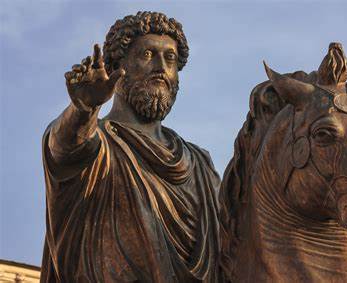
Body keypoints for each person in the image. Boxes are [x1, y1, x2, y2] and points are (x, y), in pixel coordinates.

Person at [41, 11, 220, 282]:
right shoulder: (98, 144)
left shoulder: (200, 164)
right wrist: (83, 108)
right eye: (148, 55)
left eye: (169, 58)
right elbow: (63, 148)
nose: (161, 67)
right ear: (116, 68)